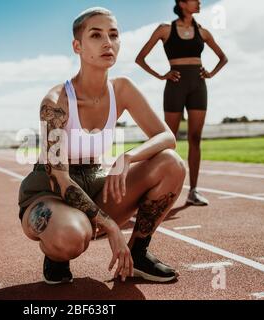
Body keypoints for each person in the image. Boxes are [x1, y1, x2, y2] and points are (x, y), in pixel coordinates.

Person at [18, 7, 186, 285]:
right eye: (96, 35)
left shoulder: (122, 89)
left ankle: (139, 254)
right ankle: (57, 253)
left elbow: (166, 137)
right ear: (78, 46)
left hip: (94, 180)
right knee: (71, 237)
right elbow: (59, 179)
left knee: (170, 163)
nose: (108, 42)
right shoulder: (56, 101)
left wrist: (128, 157)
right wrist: (110, 225)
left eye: (114, 35)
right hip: (50, 190)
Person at [135, 0, 228, 206]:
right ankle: (155, 190)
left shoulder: (202, 32)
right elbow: (140, 58)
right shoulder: (165, 30)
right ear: (182, 3)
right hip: (175, 86)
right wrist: (161, 75)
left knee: (195, 139)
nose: (200, 2)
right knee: (169, 140)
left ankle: (193, 191)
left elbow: (223, 57)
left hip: (198, 86)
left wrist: (210, 72)